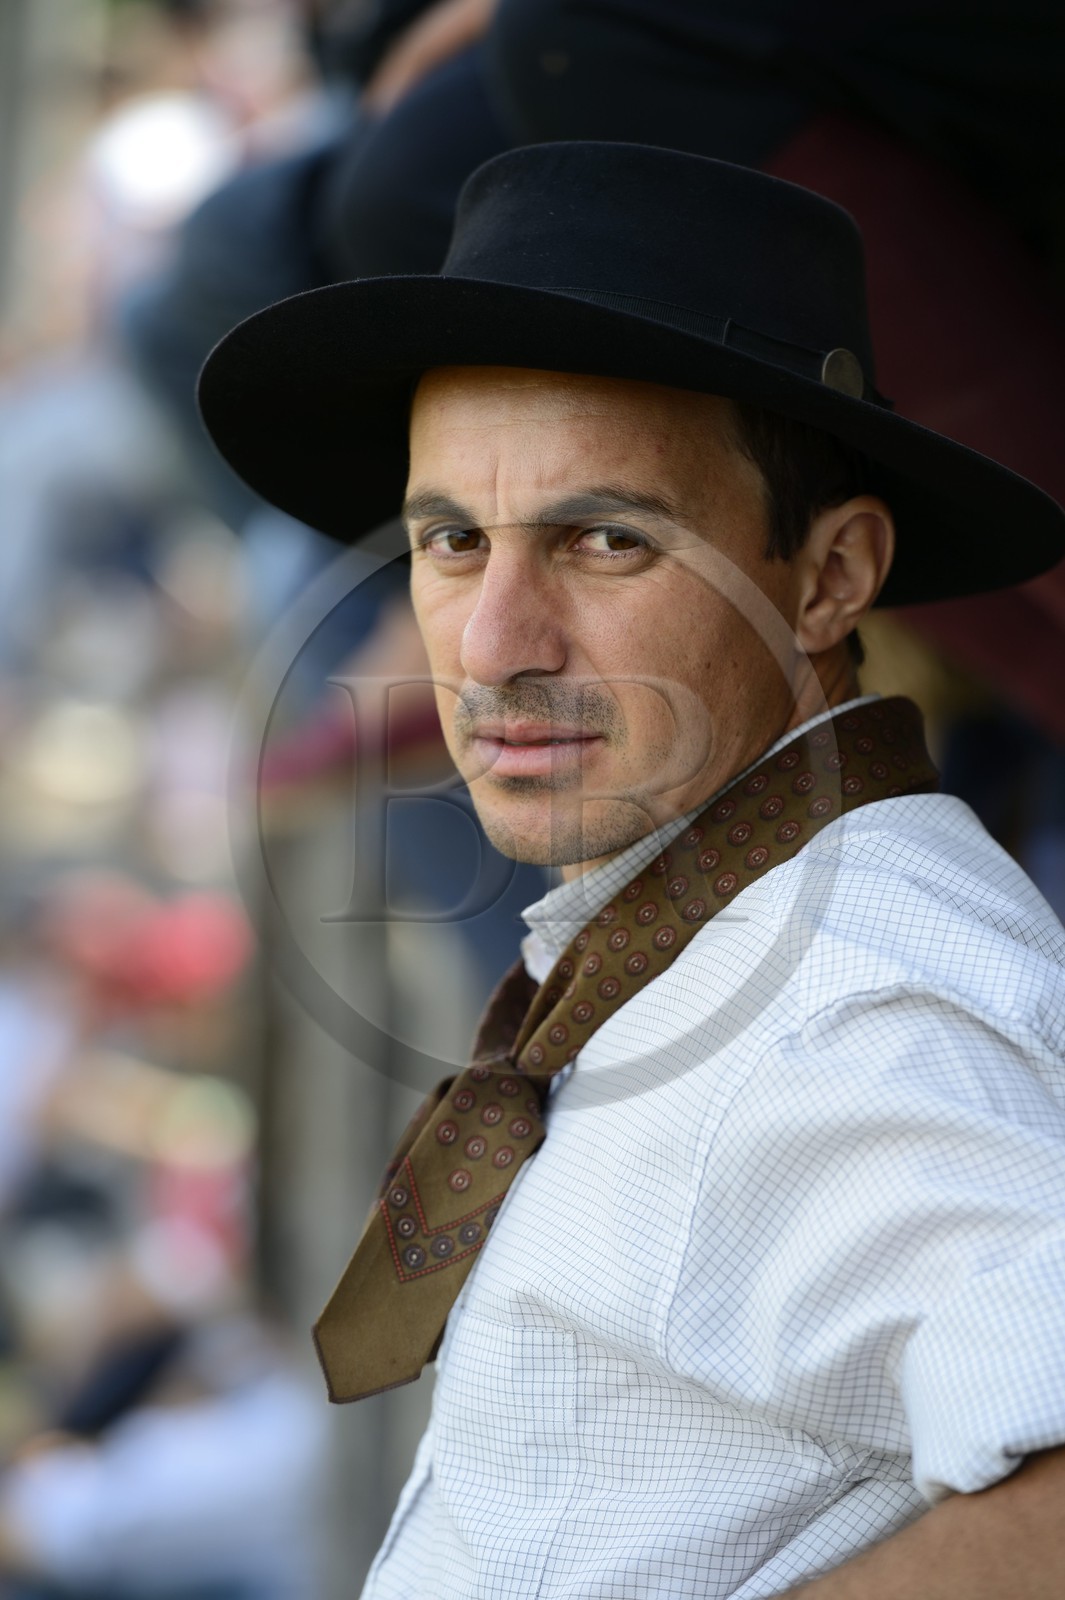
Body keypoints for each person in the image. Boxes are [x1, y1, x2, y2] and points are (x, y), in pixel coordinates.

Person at [198, 143, 1065, 1598]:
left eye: (605, 539)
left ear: (828, 577)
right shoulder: (716, 933)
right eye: (453, 542)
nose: (492, 645)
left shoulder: (850, 1005)